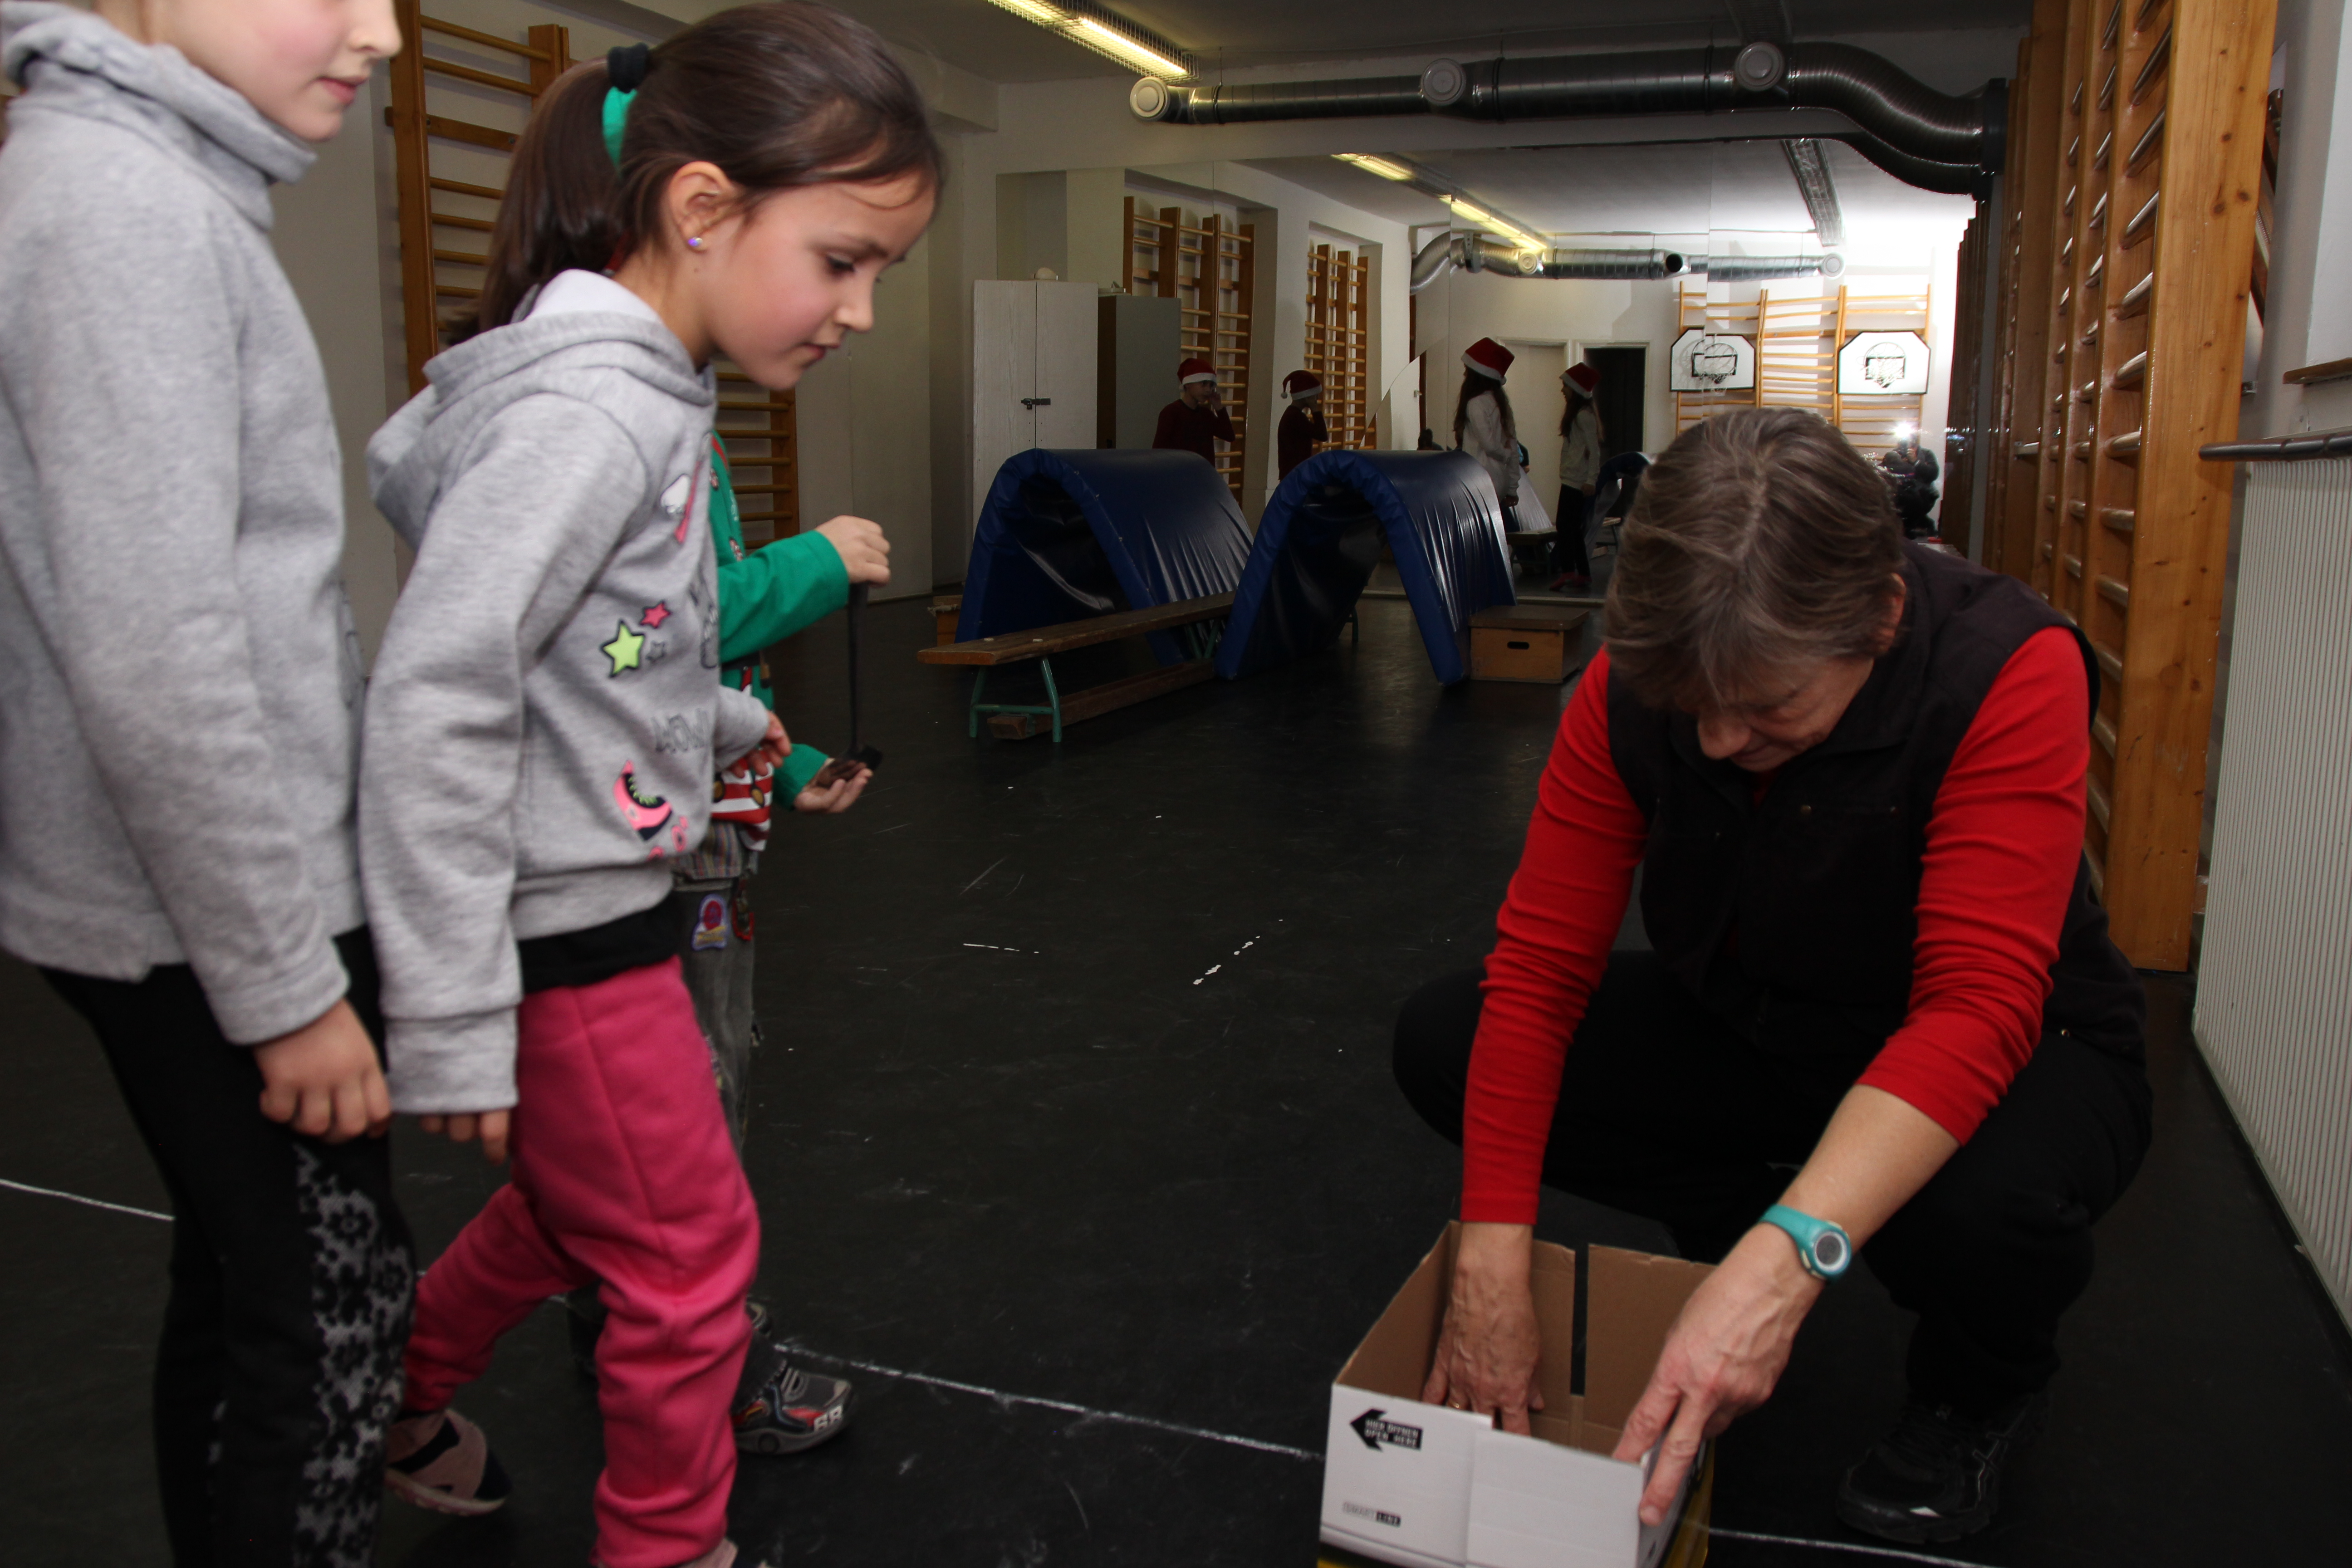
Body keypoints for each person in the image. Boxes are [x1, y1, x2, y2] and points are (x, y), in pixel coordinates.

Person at [358, 12, 940, 1568]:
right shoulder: (595, 414)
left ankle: (395, 1390)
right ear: (699, 210)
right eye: (842, 261)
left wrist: (753, 733)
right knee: (689, 1258)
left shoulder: (651, 397)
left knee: (578, 1215)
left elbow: (626, 647)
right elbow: (437, 687)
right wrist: (448, 1008)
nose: (861, 311)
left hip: (599, 894)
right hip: (569, 931)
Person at [1391, 407, 2148, 1548]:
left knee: (1982, 1208)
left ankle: (1975, 1394)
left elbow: (1975, 1007)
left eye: (1767, 708)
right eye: (1693, 709)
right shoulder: (1631, 686)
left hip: (2016, 1049)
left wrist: (1793, 1261)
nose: (1716, 743)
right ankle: (1743, 1215)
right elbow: (1540, 971)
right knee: (1445, 1038)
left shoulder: (2005, 667)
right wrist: (1491, 1251)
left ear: (1879, 618)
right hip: (1763, 1022)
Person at [0, 4, 414, 1563]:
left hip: (201, 904)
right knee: (330, 1315)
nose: (380, 32)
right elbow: (155, 651)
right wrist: (282, 985)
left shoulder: (148, 185)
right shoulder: (121, 204)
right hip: (210, 920)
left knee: (252, 1286)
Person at [557, 438, 890, 1451]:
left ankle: (621, 1324)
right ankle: (709, 1365)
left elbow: (691, 670)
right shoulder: (621, 430)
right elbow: (649, 635)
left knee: (662, 1095)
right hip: (656, 835)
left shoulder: (671, 425)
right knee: (690, 1101)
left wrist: (776, 767)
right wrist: (814, 564)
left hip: (690, 815)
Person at [1453, 336, 1519, 526]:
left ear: (1476, 375)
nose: (1464, 375)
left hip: (1480, 479)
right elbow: (1513, 446)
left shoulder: (1476, 404)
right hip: (1500, 480)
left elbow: (1490, 446)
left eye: (1467, 371)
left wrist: (1505, 454)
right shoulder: (1502, 404)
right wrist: (1512, 488)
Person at [1551, 361, 1602, 591]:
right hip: (1572, 478)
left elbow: (1594, 450)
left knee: (1565, 526)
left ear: (1576, 389)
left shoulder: (1583, 416)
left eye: (1566, 386)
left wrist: (1591, 480)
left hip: (1577, 481)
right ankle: (1582, 573)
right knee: (1572, 528)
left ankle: (1569, 571)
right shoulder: (1578, 415)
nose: (1563, 390)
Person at [1152, 356, 1234, 466]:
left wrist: (1219, 408)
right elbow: (1158, 451)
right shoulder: (1171, 412)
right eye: (1203, 383)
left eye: (1211, 385)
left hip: (1204, 473)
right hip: (1181, 473)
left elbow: (1229, 435)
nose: (1208, 390)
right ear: (1188, 384)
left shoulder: (1206, 415)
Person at [1881, 428, 1941, 539]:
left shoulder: (1926, 454)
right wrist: (1897, 464)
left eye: (1906, 439)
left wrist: (1916, 462)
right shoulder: (1894, 455)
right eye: (1901, 440)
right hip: (1899, 492)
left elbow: (1933, 474)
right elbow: (1883, 470)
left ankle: (1916, 527)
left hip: (1922, 494)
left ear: (1914, 440)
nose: (1903, 443)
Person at [1278, 368, 1328, 478]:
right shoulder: (1296, 417)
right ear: (1308, 396)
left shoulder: (1292, 414)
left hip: (1292, 473)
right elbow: (1322, 435)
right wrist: (1315, 410)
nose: (1317, 398)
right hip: (1295, 475)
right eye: (1315, 395)